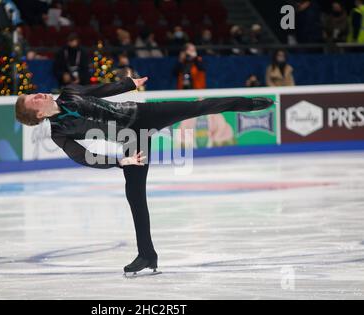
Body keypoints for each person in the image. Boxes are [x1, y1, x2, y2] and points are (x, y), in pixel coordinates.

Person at [14, 77, 275, 275]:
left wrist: (129, 83)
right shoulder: (59, 132)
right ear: (38, 115)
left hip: (143, 115)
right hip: (131, 143)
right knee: (135, 197)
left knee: (196, 107)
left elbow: (102, 90)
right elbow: (82, 156)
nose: (38, 94)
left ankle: (249, 104)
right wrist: (120, 160)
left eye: (34, 94)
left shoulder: (70, 93)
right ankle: (147, 256)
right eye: (33, 99)